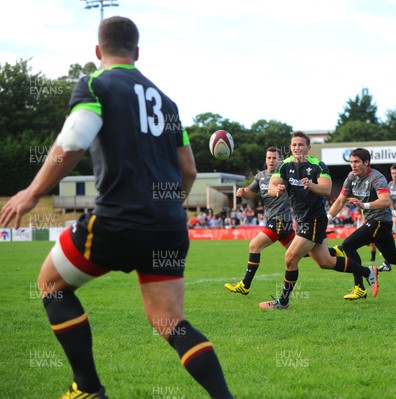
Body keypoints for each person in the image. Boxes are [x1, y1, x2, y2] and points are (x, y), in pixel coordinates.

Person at [0, 17, 233, 399]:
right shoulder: (167, 101)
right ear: (137, 53)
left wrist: (32, 191)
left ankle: (88, 387)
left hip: (118, 219)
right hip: (168, 226)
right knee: (171, 322)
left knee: (50, 285)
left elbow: (74, 139)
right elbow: (188, 169)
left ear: (97, 51)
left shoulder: (96, 83)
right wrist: (168, 208)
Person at [259, 132, 379, 309]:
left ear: (308, 147)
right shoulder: (284, 165)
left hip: (314, 219)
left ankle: (283, 302)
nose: (297, 148)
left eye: (300, 145)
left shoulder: (318, 166)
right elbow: (271, 185)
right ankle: (368, 271)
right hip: (301, 219)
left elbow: (327, 189)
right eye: (294, 145)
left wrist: (311, 185)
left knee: (290, 258)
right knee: (325, 262)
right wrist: (276, 189)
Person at [327, 149, 396, 300]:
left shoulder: (376, 177)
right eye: (351, 162)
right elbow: (340, 201)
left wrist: (363, 205)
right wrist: (327, 218)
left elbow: (386, 201)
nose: (353, 165)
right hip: (375, 222)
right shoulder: (350, 177)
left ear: (366, 163)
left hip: (380, 221)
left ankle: (359, 287)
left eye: (357, 162)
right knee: (393, 258)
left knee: (348, 245)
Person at [225, 147, 295, 294]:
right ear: (265, 159)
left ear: (279, 160)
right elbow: (250, 193)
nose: (271, 160)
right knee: (301, 252)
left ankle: (245, 285)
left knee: (254, 246)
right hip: (276, 220)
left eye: (274, 158)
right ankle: (334, 253)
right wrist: (243, 192)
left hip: (280, 220)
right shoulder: (260, 176)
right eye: (269, 158)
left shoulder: (285, 175)